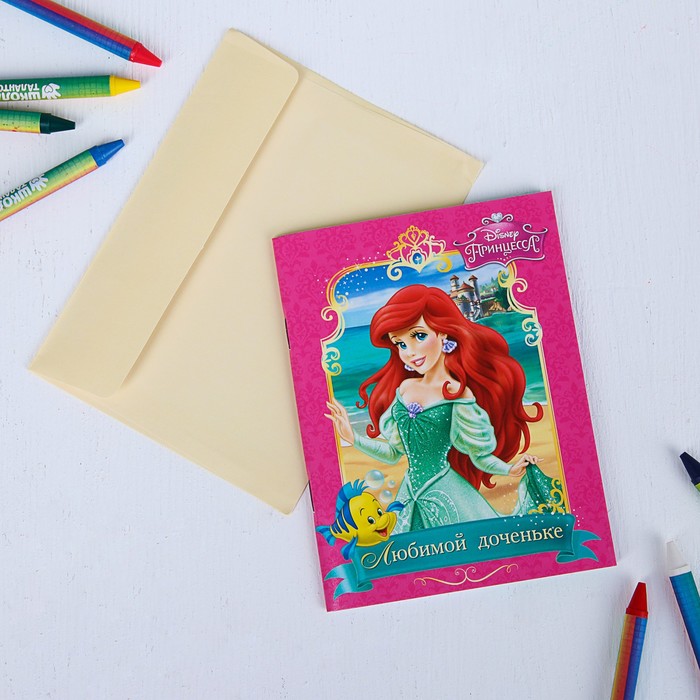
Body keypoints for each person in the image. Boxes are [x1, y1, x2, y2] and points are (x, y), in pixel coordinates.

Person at [325, 284, 545, 533]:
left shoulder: (457, 392)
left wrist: (510, 469)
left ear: (442, 333)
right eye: (400, 344)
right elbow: (394, 453)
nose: (410, 352)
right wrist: (353, 438)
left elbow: (479, 455)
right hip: (408, 496)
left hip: (447, 495)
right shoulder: (405, 389)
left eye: (418, 336)